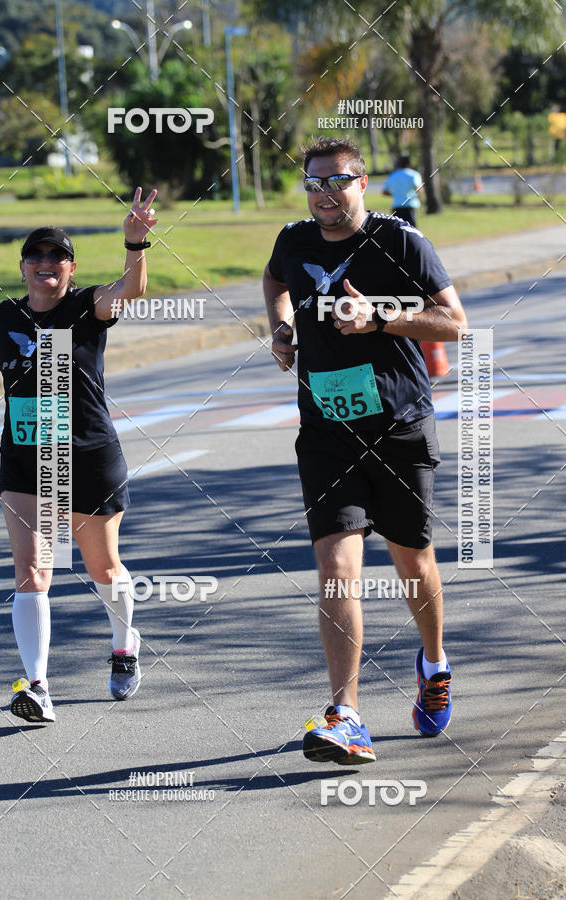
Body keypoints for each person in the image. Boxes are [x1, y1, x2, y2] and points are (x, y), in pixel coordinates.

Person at [263, 136, 467, 765]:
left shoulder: (400, 241)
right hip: (325, 433)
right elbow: (275, 279)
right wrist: (281, 325)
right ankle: (345, 713)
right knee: (337, 572)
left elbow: (453, 321)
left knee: (413, 563)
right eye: (314, 182)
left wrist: (379, 317)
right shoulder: (294, 240)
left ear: (362, 181)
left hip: (398, 426)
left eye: (338, 181)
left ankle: (433, 663)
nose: (325, 193)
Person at [0, 187, 158, 724]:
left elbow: (132, 289)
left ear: (70, 269)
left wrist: (135, 243)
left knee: (103, 567)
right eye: (36, 255)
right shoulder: (1, 318)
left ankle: (124, 643)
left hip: (89, 455)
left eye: (57, 256)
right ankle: (37, 685)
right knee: (32, 571)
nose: (45, 263)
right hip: (26, 460)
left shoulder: (87, 306)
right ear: (22, 266)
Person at [382, 154, 423, 227]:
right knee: (412, 231)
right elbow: (418, 189)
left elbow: (384, 192)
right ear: (409, 164)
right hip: (410, 206)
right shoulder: (414, 174)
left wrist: (396, 194)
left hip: (396, 207)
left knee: (397, 231)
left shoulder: (393, 175)